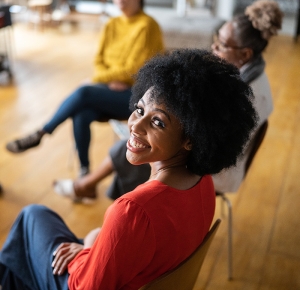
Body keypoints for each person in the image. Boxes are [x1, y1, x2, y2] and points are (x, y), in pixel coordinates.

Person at [0, 49, 257, 289]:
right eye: (139, 109)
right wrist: (97, 246)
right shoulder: (203, 182)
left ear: (191, 139)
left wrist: (90, 246)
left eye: (157, 122)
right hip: (138, 273)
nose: (135, 125)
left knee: (32, 216)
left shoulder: (133, 210)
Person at [53, 0, 282, 201]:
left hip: (216, 167)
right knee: (134, 141)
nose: (213, 47)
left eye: (222, 44)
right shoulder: (248, 76)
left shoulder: (251, 95)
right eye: (216, 39)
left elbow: (217, 144)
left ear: (245, 54)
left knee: (135, 148)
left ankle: (104, 195)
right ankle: (95, 189)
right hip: (206, 149)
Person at [5, 0, 164, 177]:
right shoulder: (111, 24)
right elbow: (98, 61)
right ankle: (85, 172)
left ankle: (41, 133)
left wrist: (101, 79)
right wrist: (108, 79)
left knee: (84, 92)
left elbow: (134, 71)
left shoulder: (148, 25)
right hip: (108, 90)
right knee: (81, 112)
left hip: (136, 99)